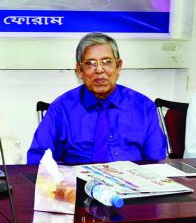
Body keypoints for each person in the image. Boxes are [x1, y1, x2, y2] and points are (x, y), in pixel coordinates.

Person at [27, 32, 166, 164]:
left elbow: (156, 161)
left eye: (107, 62)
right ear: (79, 70)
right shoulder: (61, 109)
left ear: (118, 66)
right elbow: (38, 159)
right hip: (78, 185)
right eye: (90, 64)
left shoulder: (143, 107)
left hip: (133, 185)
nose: (99, 70)